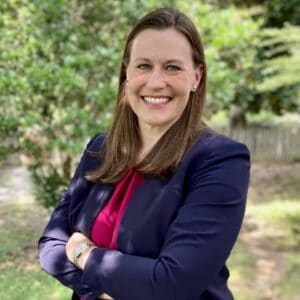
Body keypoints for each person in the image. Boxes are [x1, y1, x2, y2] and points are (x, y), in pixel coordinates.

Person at [38, 7, 250, 300]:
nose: (155, 82)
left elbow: (172, 284)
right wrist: (102, 289)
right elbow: (50, 245)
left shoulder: (220, 160)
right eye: (143, 66)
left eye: (172, 67)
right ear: (126, 72)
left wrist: (82, 252)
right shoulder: (100, 149)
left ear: (196, 77)